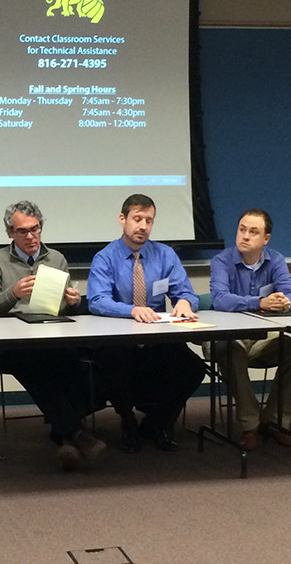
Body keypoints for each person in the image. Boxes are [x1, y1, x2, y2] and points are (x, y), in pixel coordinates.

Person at [0, 201, 105, 471]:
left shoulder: (56, 259)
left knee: (78, 357)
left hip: (50, 335)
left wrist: (73, 302)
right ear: (10, 233)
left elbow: (66, 307)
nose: (31, 236)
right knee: (36, 360)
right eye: (23, 231)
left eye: (36, 229)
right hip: (9, 342)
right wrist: (13, 294)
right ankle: (75, 432)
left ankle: (65, 435)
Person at [87, 194, 206, 452]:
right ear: (123, 220)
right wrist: (131, 310)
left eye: (149, 221)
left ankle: (157, 423)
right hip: (118, 339)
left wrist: (185, 302)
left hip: (156, 338)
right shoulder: (105, 258)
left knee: (192, 369)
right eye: (137, 219)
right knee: (112, 364)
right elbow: (97, 301)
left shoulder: (165, 255)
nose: (143, 226)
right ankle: (128, 423)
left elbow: (186, 293)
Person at [208, 209, 291, 450]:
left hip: (263, 336)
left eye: (253, 232)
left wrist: (285, 302)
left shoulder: (276, 260)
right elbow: (220, 299)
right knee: (231, 350)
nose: (245, 236)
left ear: (266, 239)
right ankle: (250, 425)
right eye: (242, 230)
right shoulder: (222, 261)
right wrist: (258, 303)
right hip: (230, 334)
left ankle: (275, 422)